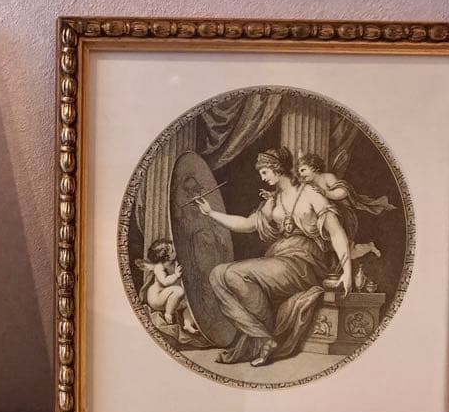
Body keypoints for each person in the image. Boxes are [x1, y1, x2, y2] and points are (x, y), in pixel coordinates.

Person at [194, 147, 352, 368]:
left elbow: (335, 232)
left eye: (265, 172)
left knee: (235, 274)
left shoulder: (310, 192)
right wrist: (211, 213)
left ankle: (263, 338)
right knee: (217, 274)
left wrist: (347, 271)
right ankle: (263, 337)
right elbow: (246, 224)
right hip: (280, 258)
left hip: (304, 262)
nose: (262, 178)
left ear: (277, 169)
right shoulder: (273, 201)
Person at [296, 152, 393, 261]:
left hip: (342, 215)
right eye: (299, 172)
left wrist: (325, 193)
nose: (301, 174)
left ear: (313, 167)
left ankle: (369, 247)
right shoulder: (308, 186)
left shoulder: (327, 177)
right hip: (324, 220)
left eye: (303, 170)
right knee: (343, 252)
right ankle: (368, 247)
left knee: (346, 251)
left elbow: (343, 192)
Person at [137, 239, 198, 333]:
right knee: (179, 291)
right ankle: (168, 313)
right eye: (172, 250)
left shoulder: (173, 263)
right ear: (167, 257)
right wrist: (176, 275)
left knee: (190, 304)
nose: (175, 249)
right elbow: (165, 282)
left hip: (167, 297)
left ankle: (188, 324)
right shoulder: (159, 267)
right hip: (156, 298)